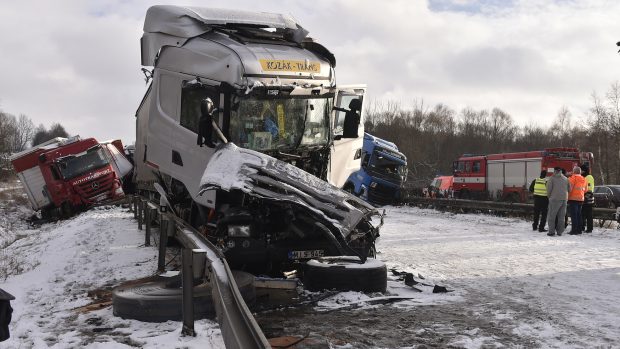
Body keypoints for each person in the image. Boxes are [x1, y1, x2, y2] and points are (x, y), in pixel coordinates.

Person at [546, 167, 569, 236]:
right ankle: (560, 232)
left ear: (555, 171)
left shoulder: (552, 178)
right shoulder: (566, 178)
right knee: (561, 217)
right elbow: (569, 189)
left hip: (554, 199)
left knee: (551, 216)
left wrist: (549, 196)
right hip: (564, 199)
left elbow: (549, 189)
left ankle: (551, 232)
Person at [567, 166, 587, 235]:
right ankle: (579, 230)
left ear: (574, 171)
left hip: (573, 199)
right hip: (581, 199)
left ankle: (574, 230)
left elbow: (570, 189)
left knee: (574, 215)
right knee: (579, 215)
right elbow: (586, 190)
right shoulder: (584, 179)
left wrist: (567, 197)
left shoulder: (572, 178)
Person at [581, 165, 595, 233]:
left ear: (584, 170)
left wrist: (585, 196)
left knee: (587, 214)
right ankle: (585, 227)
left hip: (588, 197)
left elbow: (589, 188)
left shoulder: (588, 177)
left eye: (582, 170)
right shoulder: (587, 176)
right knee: (585, 213)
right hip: (588, 197)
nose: (581, 172)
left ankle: (589, 228)